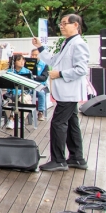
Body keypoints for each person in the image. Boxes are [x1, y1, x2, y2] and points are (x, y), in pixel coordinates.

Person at [32, 14, 89, 172]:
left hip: (69, 92)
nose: (61, 26)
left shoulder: (78, 44)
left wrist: (60, 74)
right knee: (71, 124)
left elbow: (81, 69)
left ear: (76, 25)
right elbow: (53, 60)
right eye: (61, 24)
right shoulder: (67, 43)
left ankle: (59, 160)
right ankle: (77, 158)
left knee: (58, 123)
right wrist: (40, 48)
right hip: (66, 92)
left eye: (65, 23)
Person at [3, 54, 33, 130]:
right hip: (12, 94)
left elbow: (30, 87)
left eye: (23, 60)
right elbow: (8, 86)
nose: (22, 62)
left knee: (23, 100)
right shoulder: (9, 72)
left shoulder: (28, 72)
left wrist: (21, 93)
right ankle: (12, 119)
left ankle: (19, 119)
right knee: (7, 104)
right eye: (19, 60)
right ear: (14, 62)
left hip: (24, 93)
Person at [31, 48, 50, 121]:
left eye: (36, 55)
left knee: (41, 93)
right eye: (32, 55)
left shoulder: (44, 65)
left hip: (40, 85)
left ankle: (40, 112)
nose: (34, 57)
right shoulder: (27, 63)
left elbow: (44, 78)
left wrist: (35, 77)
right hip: (29, 85)